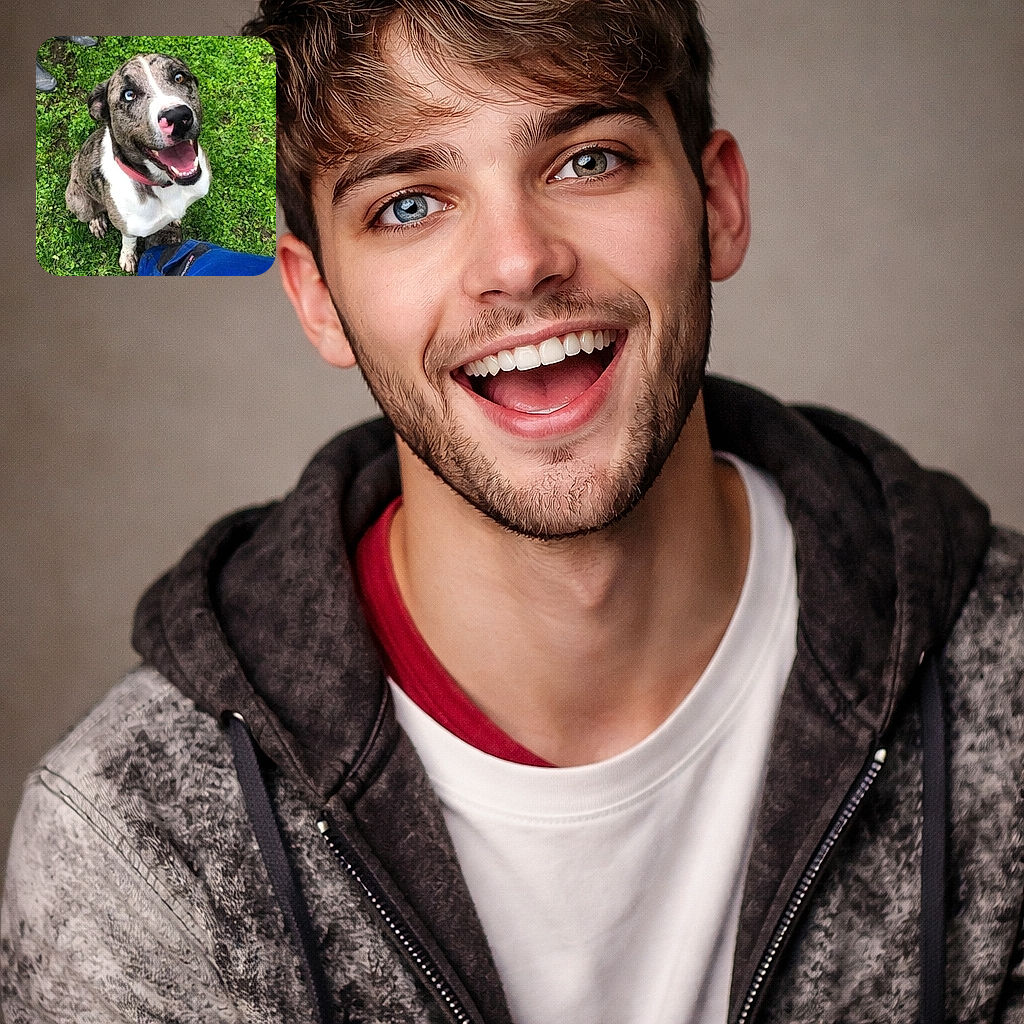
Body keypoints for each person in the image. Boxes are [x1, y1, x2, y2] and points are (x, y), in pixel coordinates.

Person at [3, 2, 1022, 1022]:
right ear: (317, 300)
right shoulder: (132, 845)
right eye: (407, 205)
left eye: (587, 161)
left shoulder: (1004, 687)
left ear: (717, 203)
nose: (518, 262)